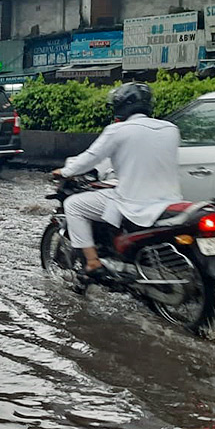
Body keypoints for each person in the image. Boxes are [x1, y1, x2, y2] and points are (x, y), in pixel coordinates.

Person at [52, 83, 182, 281]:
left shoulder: (118, 130)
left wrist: (65, 171)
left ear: (121, 104)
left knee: (74, 205)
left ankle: (92, 262)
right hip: (169, 201)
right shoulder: (171, 129)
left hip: (134, 202)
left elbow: (91, 157)